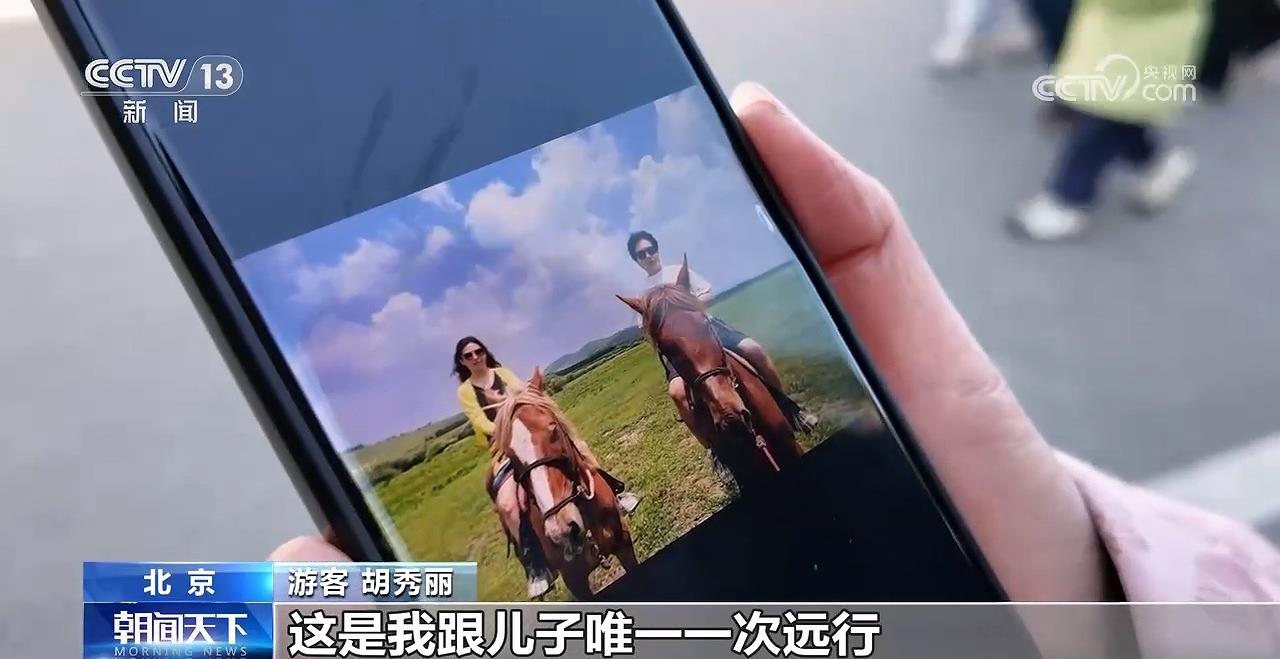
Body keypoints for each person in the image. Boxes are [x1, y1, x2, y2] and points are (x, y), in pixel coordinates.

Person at [273, 85, 1279, 633]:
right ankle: (538, 561)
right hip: (516, 434)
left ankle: (784, 412)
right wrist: (515, 409)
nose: (477, 352)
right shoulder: (476, 388)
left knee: (747, 348)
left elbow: (697, 307)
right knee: (525, 486)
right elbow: (498, 424)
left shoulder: (671, 266)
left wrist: (683, 304)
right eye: (470, 350)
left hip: (698, 329)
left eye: (479, 346)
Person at [452, 337, 640, 598]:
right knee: (508, 504)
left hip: (527, 431)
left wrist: (530, 401)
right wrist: (507, 429)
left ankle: (615, 495)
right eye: (468, 355)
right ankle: (535, 564)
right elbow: (479, 421)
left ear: (485, 352)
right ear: (462, 361)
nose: (475, 357)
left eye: (478, 351)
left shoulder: (501, 373)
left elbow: (523, 392)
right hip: (504, 446)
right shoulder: (465, 391)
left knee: (577, 448)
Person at [1009, 0, 1206, 240]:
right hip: (1118, 32)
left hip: (1146, 35)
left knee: (1102, 119)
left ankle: (1068, 199)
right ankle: (1155, 163)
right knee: (1119, 115)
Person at [625, 230, 820, 450]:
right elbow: (644, 326)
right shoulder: (642, 293)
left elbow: (707, 291)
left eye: (651, 249)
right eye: (641, 254)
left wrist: (692, 309)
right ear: (636, 260)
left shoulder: (678, 271)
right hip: (678, 346)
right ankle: (711, 446)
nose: (648, 256)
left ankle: (790, 408)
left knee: (753, 349)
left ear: (657, 249)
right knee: (677, 393)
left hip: (706, 329)